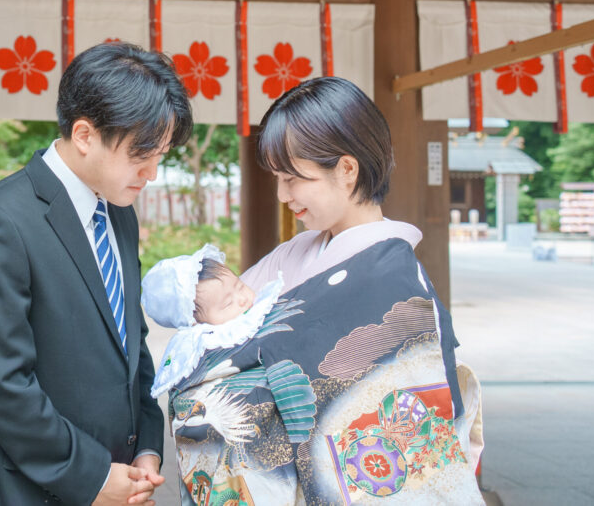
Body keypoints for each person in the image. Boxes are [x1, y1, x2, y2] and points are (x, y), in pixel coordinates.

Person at [165, 77, 484, 505]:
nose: (281, 195)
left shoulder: (394, 278)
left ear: (347, 171)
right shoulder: (295, 252)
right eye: (277, 178)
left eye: (293, 179)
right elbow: (220, 333)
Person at [0, 41, 193, 505]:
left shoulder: (119, 213)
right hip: (29, 489)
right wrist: (95, 476)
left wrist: (146, 447)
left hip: (124, 482)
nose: (152, 173)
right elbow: (1, 386)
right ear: (85, 135)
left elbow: (130, 343)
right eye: (142, 154)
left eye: (160, 155)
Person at [140, 244, 287, 399]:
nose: (243, 299)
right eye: (228, 303)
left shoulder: (260, 307)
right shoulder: (207, 342)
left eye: (240, 286)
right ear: (197, 325)